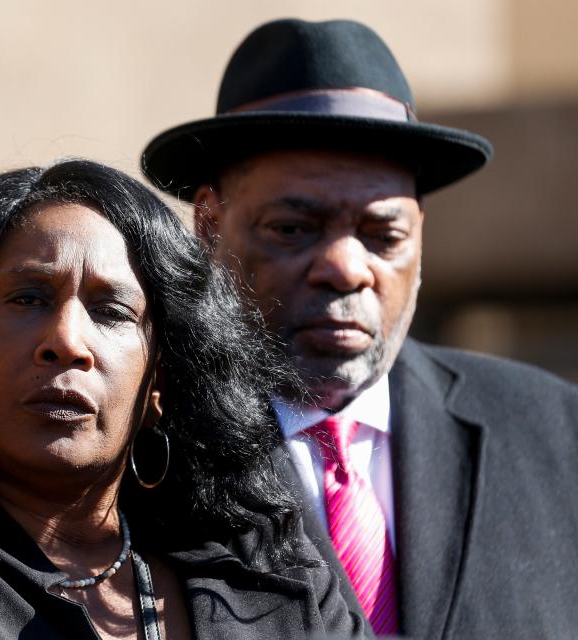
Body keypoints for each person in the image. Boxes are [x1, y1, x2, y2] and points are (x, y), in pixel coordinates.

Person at [141, 17, 578, 640]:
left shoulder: (554, 432)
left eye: (384, 236)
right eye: (293, 229)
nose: (346, 268)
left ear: (421, 236)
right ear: (210, 228)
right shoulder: (145, 452)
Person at [0, 159, 368, 639]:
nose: (66, 341)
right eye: (28, 299)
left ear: (160, 377)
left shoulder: (269, 562)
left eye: (110, 310)